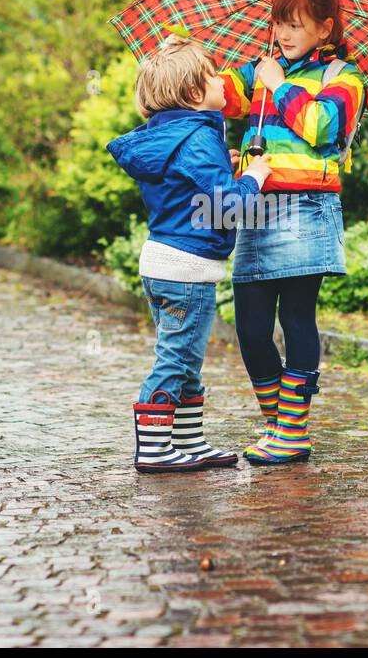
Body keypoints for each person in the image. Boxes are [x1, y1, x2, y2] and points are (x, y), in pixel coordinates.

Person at [217, 0, 368, 464]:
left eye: (296, 24)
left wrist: (279, 87)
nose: (283, 32)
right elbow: (218, 96)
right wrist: (189, 73)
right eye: (279, 22)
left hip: (306, 207)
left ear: (324, 29)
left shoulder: (343, 78)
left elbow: (323, 127)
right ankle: (279, 422)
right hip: (256, 209)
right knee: (250, 327)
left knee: (295, 317)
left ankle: (292, 430)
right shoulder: (260, 70)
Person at [106, 35, 272, 472]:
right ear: (196, 93)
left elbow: (189, 185)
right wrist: (253, 177)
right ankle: (154, 448)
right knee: (175, 359)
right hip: (188, 269)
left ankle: (189, 441)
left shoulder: (173, 136)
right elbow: (228, 208)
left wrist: (224, 162)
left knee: (187, 361)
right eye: (214, 74)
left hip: (165, 262)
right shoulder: (198, 139)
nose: (223, 80)